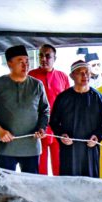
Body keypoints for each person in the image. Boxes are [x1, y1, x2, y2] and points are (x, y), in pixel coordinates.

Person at [0, 45, 49, 173]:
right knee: (7, 186)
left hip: (31, 146)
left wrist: (41, 128)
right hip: (5, 146)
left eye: (27, 61)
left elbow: (45, 110)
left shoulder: (37, 85)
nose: (25, 65)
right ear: (10, 64)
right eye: (20, 62)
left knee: (31, 184)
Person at [49, 60, 102, 177]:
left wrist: (97, 136)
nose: (84, 75)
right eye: (80, 72)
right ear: (72, 76)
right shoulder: (63, 98)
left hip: (91, 149)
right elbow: (54, 122)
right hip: (69, 149)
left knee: (90, 183)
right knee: (69, 183)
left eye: (87, 72)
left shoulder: (98, 98)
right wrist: (62, 135)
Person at [28, 44, 70, 176]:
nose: (44, 59)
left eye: (47, 56)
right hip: (39, 127)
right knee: (40, 166)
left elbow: (68, 104)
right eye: (41, 55)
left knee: (60, 165)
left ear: (54, 58)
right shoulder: (31, 76)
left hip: (58, 127)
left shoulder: (62, 76)